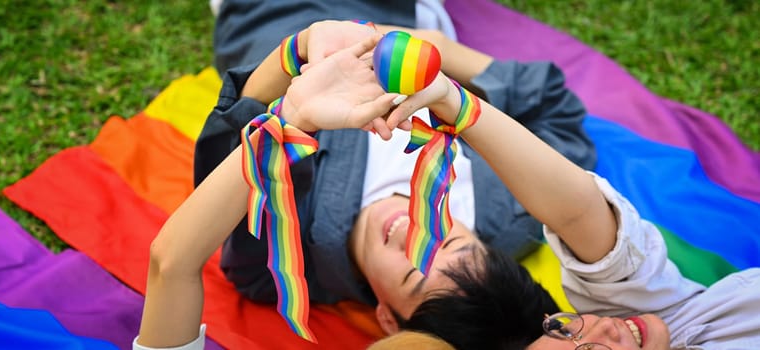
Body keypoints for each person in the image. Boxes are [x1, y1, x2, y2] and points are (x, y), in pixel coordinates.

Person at [197, 8, 595, 327]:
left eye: (413, 274)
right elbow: (552, 106)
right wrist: (435, 50)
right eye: (452, 242)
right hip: (410, 18)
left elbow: (231, 142)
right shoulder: (518, 209)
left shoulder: (287, 267)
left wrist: (303, 50)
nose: (411, 230)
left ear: (387, 318)